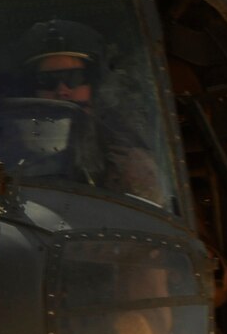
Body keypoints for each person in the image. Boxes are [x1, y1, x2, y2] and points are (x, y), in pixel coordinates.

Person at [19, 19, 163, 204]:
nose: (62, 90)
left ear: (92, 84)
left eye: (74, 77)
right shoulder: (10, 151)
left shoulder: (129, 157)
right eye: (48, 81)